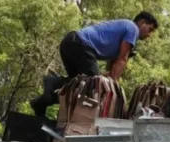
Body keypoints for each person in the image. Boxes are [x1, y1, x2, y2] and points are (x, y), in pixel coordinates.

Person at [31, 12, 159, 117]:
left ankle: (44, 98)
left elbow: (113, 65)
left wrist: (110, 79)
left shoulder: (124, 29)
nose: (149, 35)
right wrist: (113, 87)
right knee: (94, 87)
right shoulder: (133, 28)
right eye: (150, 29)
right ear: (142, 23)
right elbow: (122, 59)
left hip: (70, 42)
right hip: (80, 45)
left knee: (77, 89)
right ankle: (53, 84)